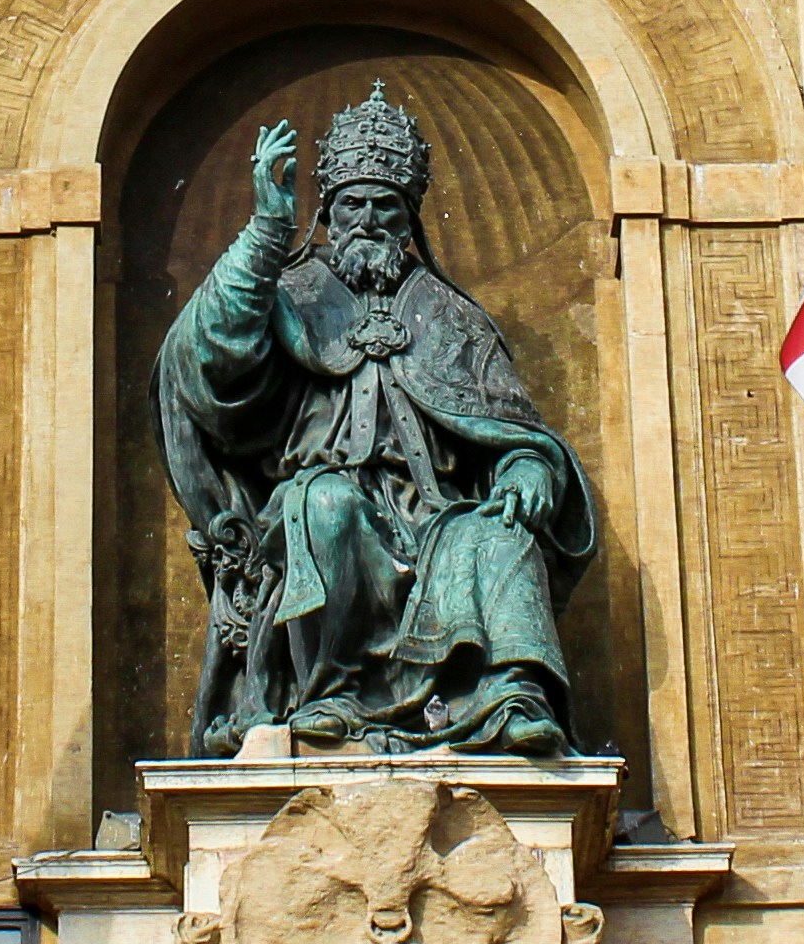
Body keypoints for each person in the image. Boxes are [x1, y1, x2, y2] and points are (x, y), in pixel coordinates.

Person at [153, 85, 587, 758]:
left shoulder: (452, 314)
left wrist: (529, 466)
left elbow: (511, 422)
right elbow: (210, 354)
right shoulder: (292, 295)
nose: (370, 220)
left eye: (387, 206)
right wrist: (267, 232)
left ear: (410, 217)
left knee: (497, 535)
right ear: (327, 213)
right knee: (327, 506)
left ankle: (511, 700)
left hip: (437, 512)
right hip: (320, 494)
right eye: (353, 205)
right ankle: (332, 696)